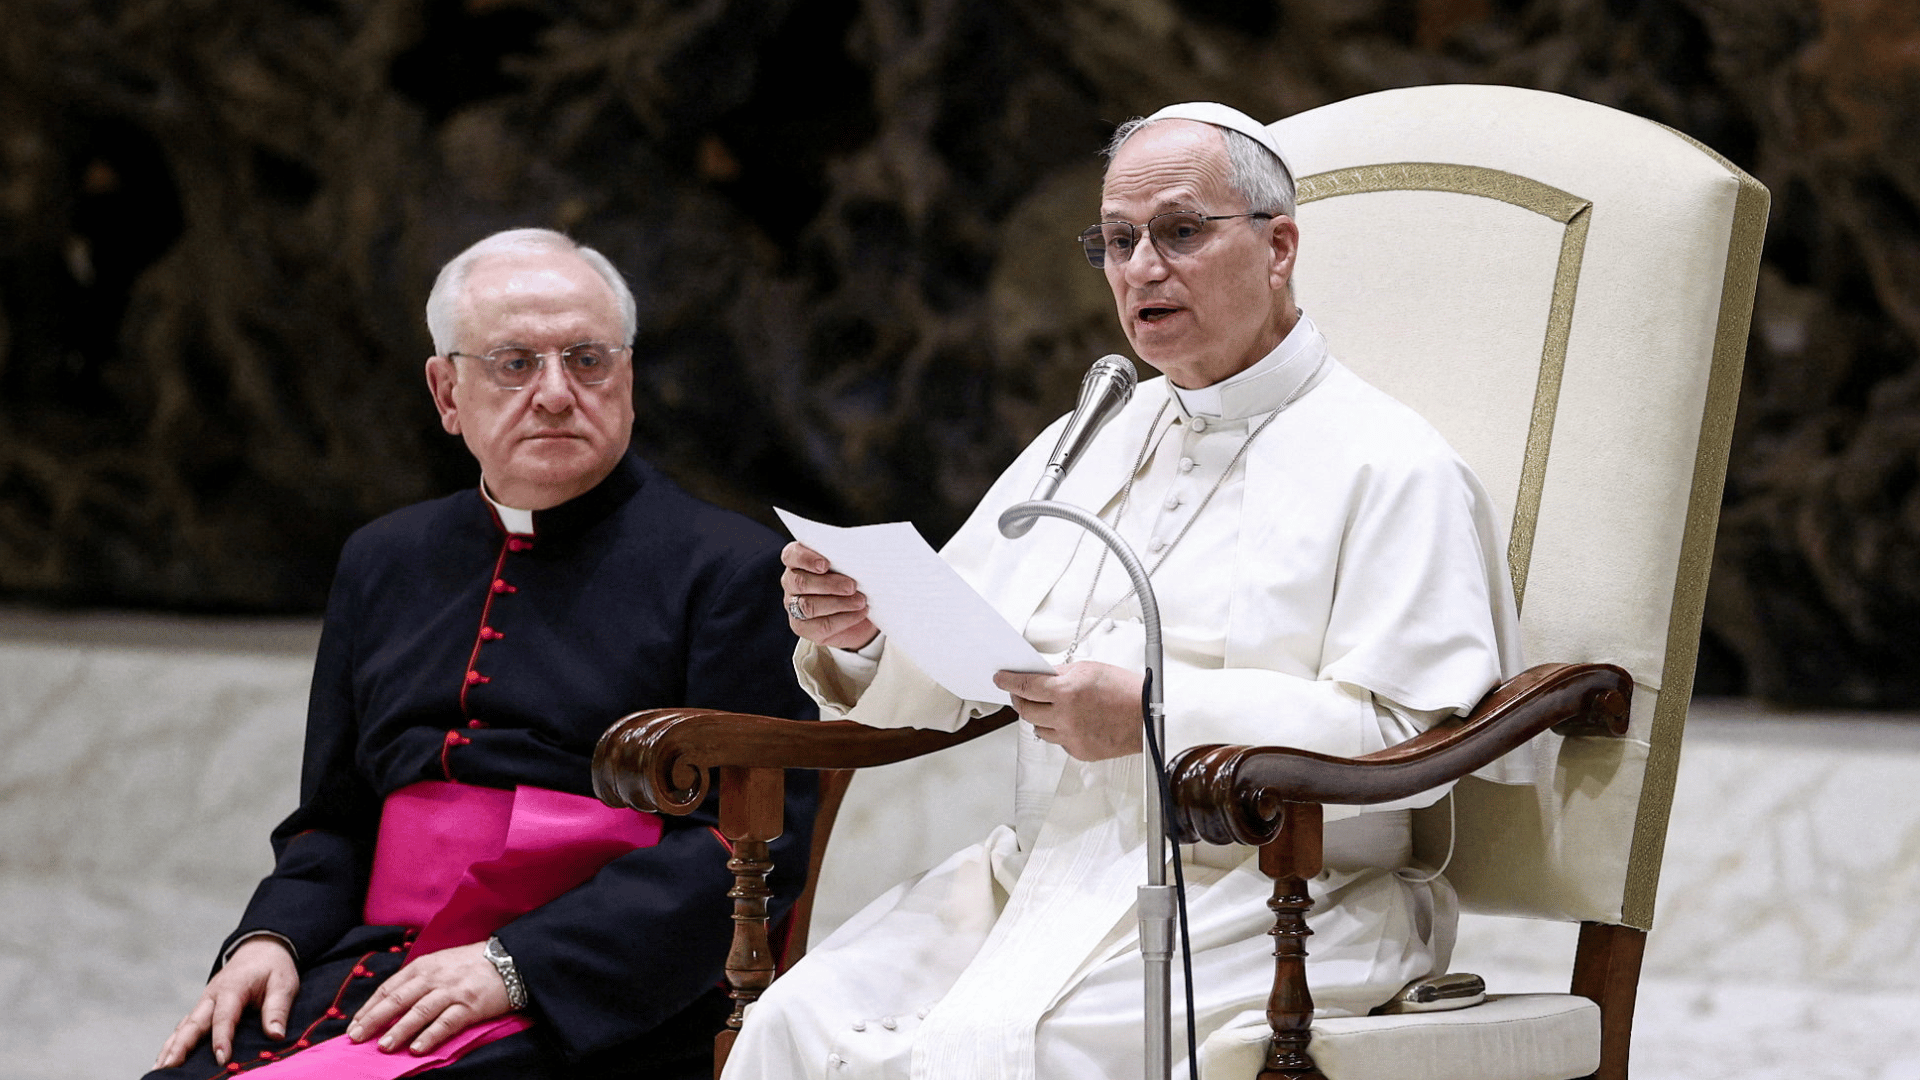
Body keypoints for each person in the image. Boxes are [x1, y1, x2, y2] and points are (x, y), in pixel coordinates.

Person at [738, 102, 1526, 1077]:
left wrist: (1157, 717)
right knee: (791, 1023)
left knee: (1000, 1057)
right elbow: (965, 658)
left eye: (1180, 231)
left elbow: (1409, 733)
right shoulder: (1097, 433)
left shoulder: (1393, 464)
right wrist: (864, 631)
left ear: (1278, 248)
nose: (1142, 268)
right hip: (1042, 878)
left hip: (1275, 899)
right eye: (1118, 241)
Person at [147, 229, 817, 1080]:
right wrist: (269, 937)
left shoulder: (730, 569)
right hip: (376, 962)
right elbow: (335, 816)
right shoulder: (383, 559)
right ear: (446, 392)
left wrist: (518, 966)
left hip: (592, 993)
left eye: (587, 360)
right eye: (513, 363)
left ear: (628, 380)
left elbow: (748, 845)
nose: (556, 394)